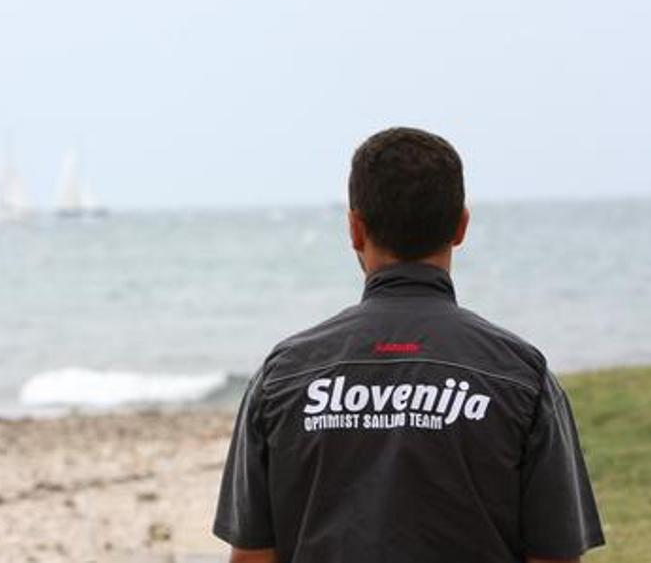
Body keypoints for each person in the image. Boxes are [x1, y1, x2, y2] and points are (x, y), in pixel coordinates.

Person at [212, 127, 605, 563]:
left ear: (355, 229)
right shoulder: (521, 377)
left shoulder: (284, 375)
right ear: (461, 226)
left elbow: (251, 557)